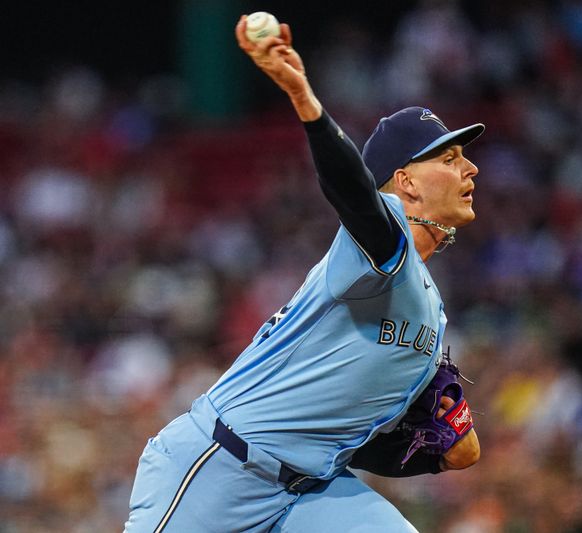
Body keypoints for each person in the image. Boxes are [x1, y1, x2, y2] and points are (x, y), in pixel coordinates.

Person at [125, 16, 484, 532]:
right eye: (449, 160)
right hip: (221, 468)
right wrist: (305, 100)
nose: (470, 169)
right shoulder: (384, 244)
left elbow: (361, 442)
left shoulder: (430, 310)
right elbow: (355, 196)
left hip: (312, 490)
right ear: (404, 183)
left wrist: (442, 454)